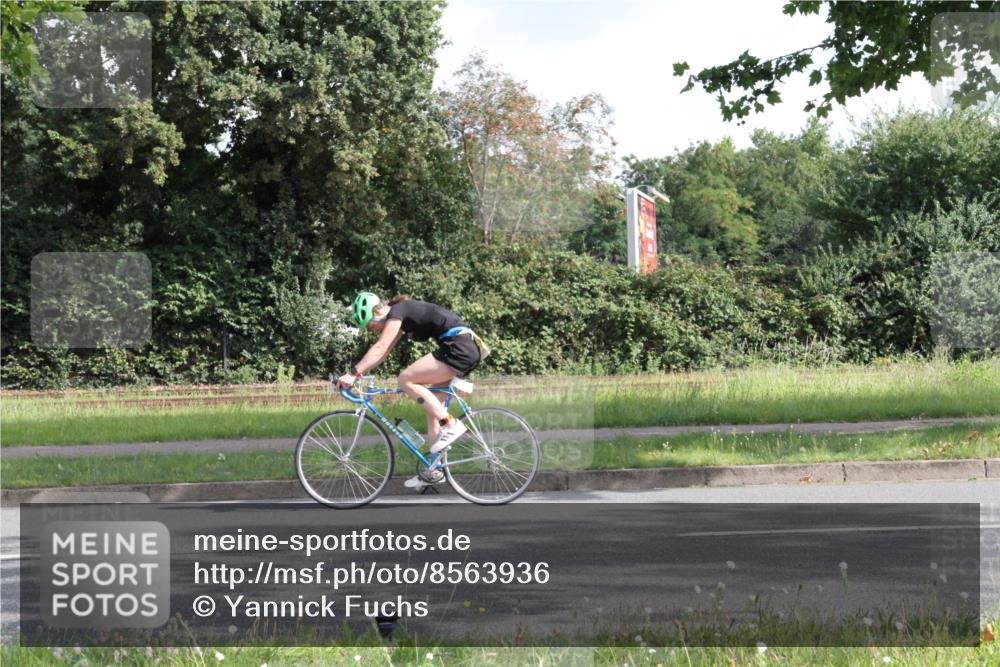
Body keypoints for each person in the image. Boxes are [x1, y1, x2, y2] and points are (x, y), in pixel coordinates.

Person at [336, 292, 485, 488]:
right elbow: (383, 352)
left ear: (377, 312)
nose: (373, 331)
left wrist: (353, 373)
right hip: (462, 346)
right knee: (433, 408)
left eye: (371, 326)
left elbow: (380, 347)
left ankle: (451, 424)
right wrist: (360, 373)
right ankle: (433, 470)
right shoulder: (399, 317)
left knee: (405, 379)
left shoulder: (397, 311)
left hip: (458, 347)